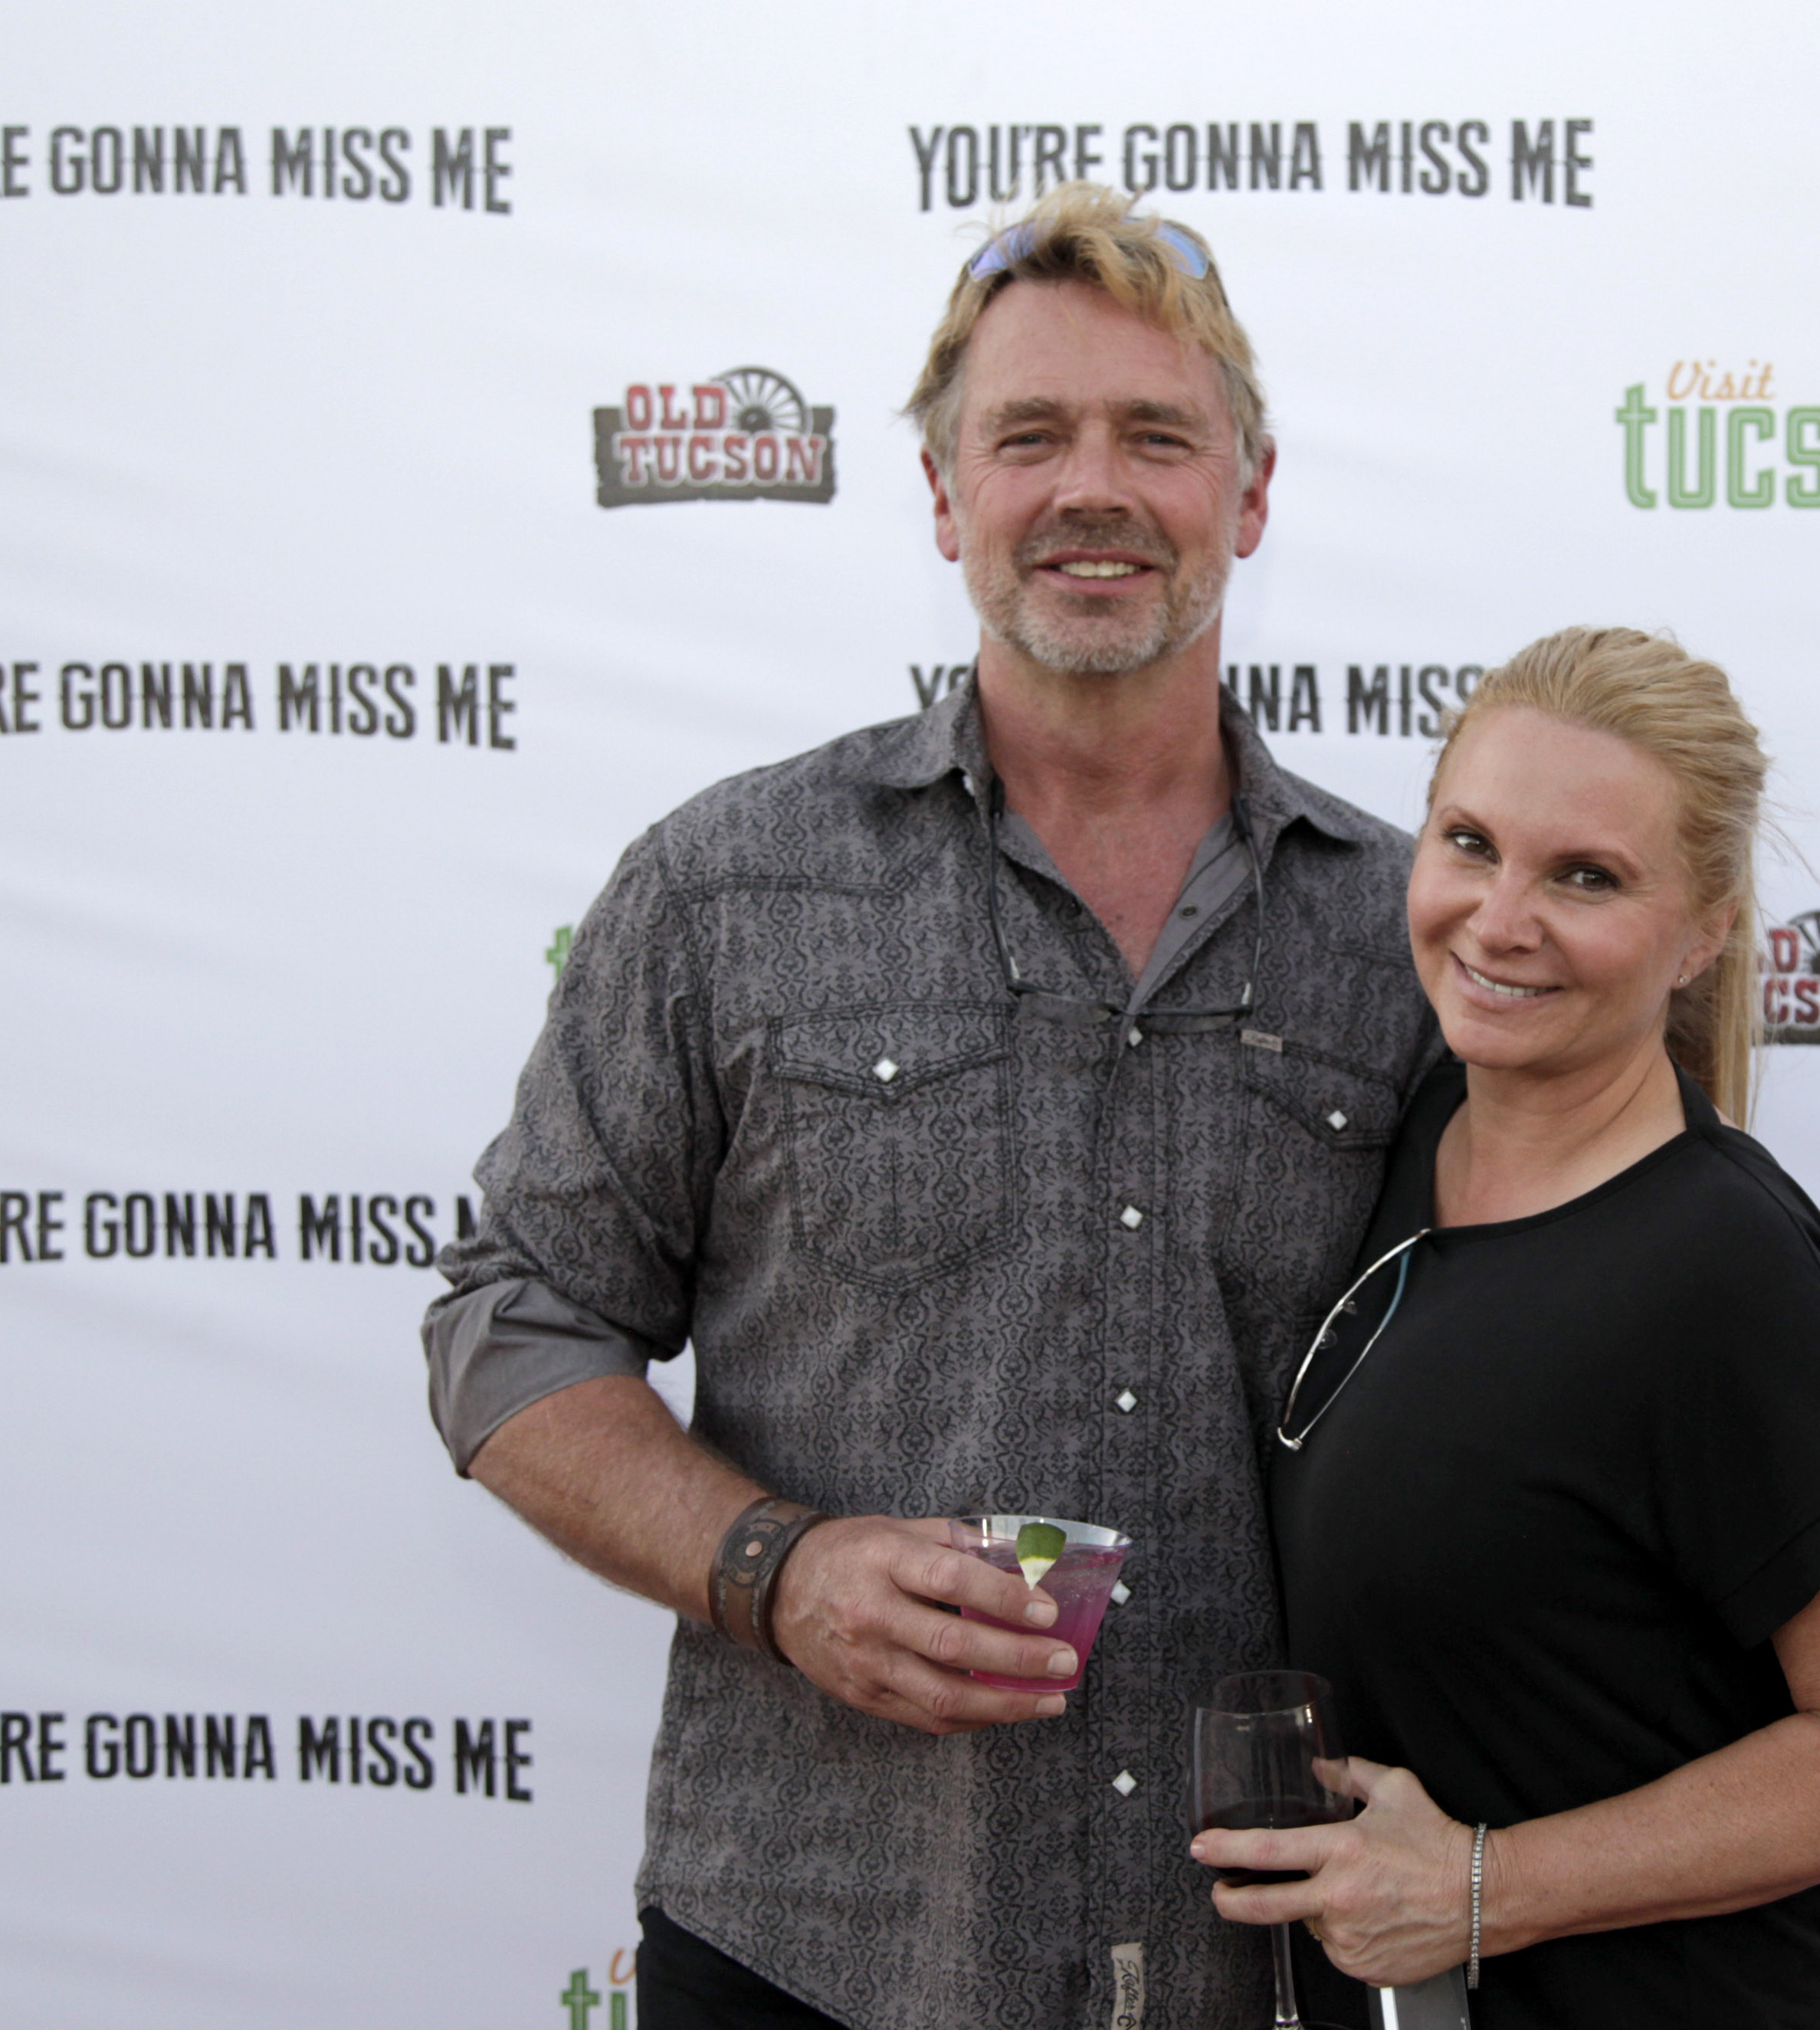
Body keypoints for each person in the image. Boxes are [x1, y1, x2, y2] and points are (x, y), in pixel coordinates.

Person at [421, 182, 1440, 2030]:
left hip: (1266, 1962)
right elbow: (510, 1322)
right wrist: (778, 1567)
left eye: (1157, 435)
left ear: (1253, 495)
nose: (1090, 488)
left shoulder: (1409, 932)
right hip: (816, 1938)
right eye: (1027, 435)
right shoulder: (731, 887)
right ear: (944, 496)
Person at [1195, 628, 1820, 2028]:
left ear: (1703, 929)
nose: (1501, 919)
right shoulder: (1413, 1133)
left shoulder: (1717, 1264)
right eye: (1469, 842)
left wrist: (1485, 1884)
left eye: (1585, 876)